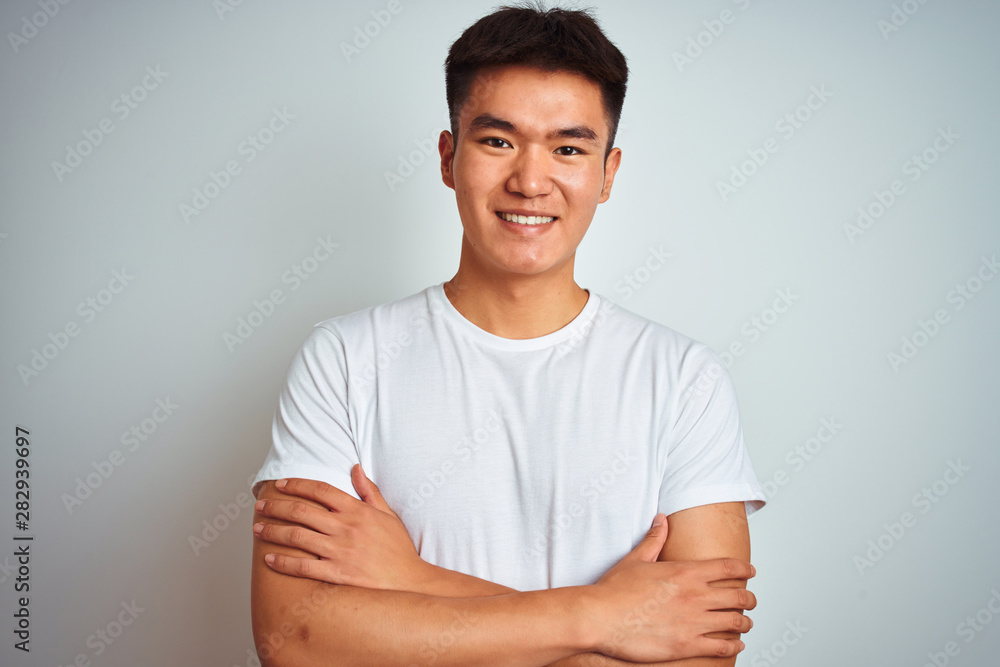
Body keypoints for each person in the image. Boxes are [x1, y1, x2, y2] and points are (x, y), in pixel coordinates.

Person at [249, 3, 767, 665]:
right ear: (448, 156)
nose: (529, 180)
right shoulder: (343, 359)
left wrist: (411, 579)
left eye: (569, 148)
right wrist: (603, 614)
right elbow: (293, 639)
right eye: (498, 141)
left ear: (607, 174)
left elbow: (701, 656)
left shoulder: (683, 378)